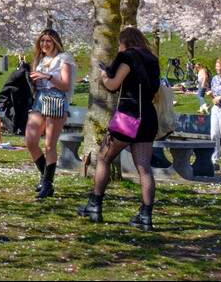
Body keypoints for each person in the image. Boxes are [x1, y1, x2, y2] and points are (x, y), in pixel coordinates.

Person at [77, 26, 160, 230]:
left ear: (125, 42)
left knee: (104, 158)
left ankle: (95, 204)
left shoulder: (127, 57)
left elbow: (114, 84)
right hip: (148, 116)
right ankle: (146, 216)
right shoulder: (152, 59)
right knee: (144, 168)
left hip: (129, 116)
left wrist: (104, 75)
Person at [26, 28, 76, 200]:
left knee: (49, 144)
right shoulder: (39, 60)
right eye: (42, 41)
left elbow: (66, 85)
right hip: (39, 99)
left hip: (56, 100)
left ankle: (48, 183)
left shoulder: (64, 59)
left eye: (48, 41)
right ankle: (44, 175)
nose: (44, 44)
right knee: (31, 141)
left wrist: (47, 76)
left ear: (55, 42)